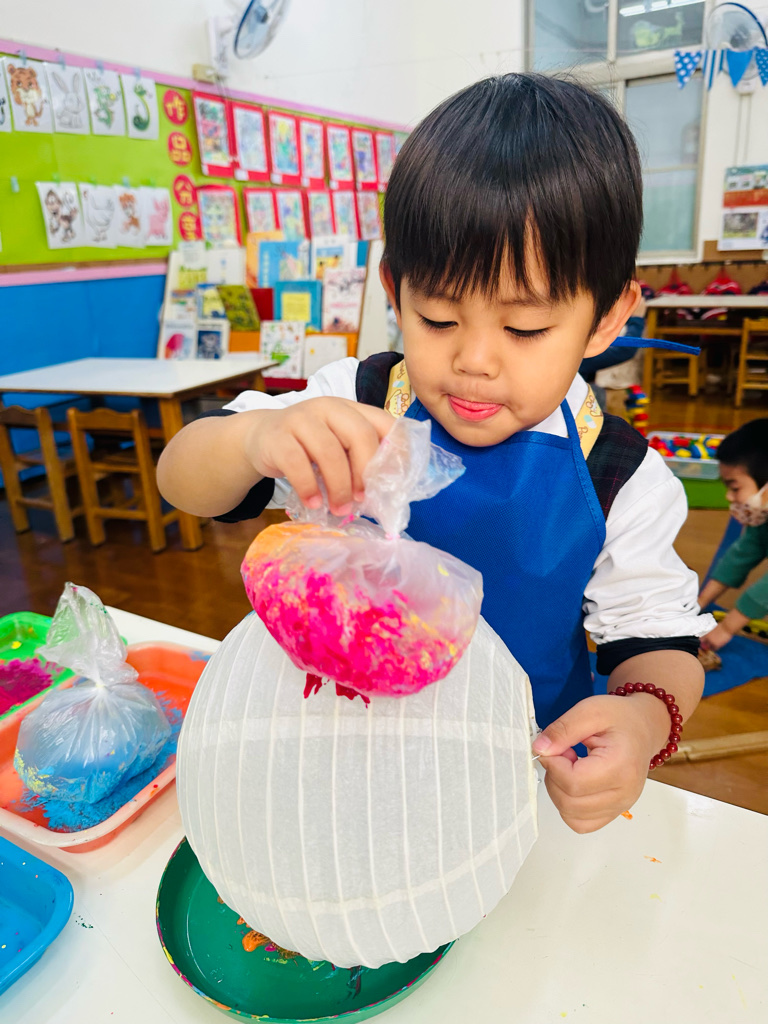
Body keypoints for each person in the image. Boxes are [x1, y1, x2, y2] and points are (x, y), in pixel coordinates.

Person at [158, 74, 714, 834]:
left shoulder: (618, 473)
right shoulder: (356, 398)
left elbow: (658, 641)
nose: (474, 361)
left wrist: (645, 720)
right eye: (439, 318)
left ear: (607, 319)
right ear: (396, 292)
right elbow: (185, 480)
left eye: (525, 330)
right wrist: (253, 439)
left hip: (511, 768)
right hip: (336, 747)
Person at [698, 419, 768, 650]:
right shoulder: (762, 512)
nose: (729, 497)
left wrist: (727, 628)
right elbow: (743, 554)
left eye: (735, 487)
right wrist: (699, 602)